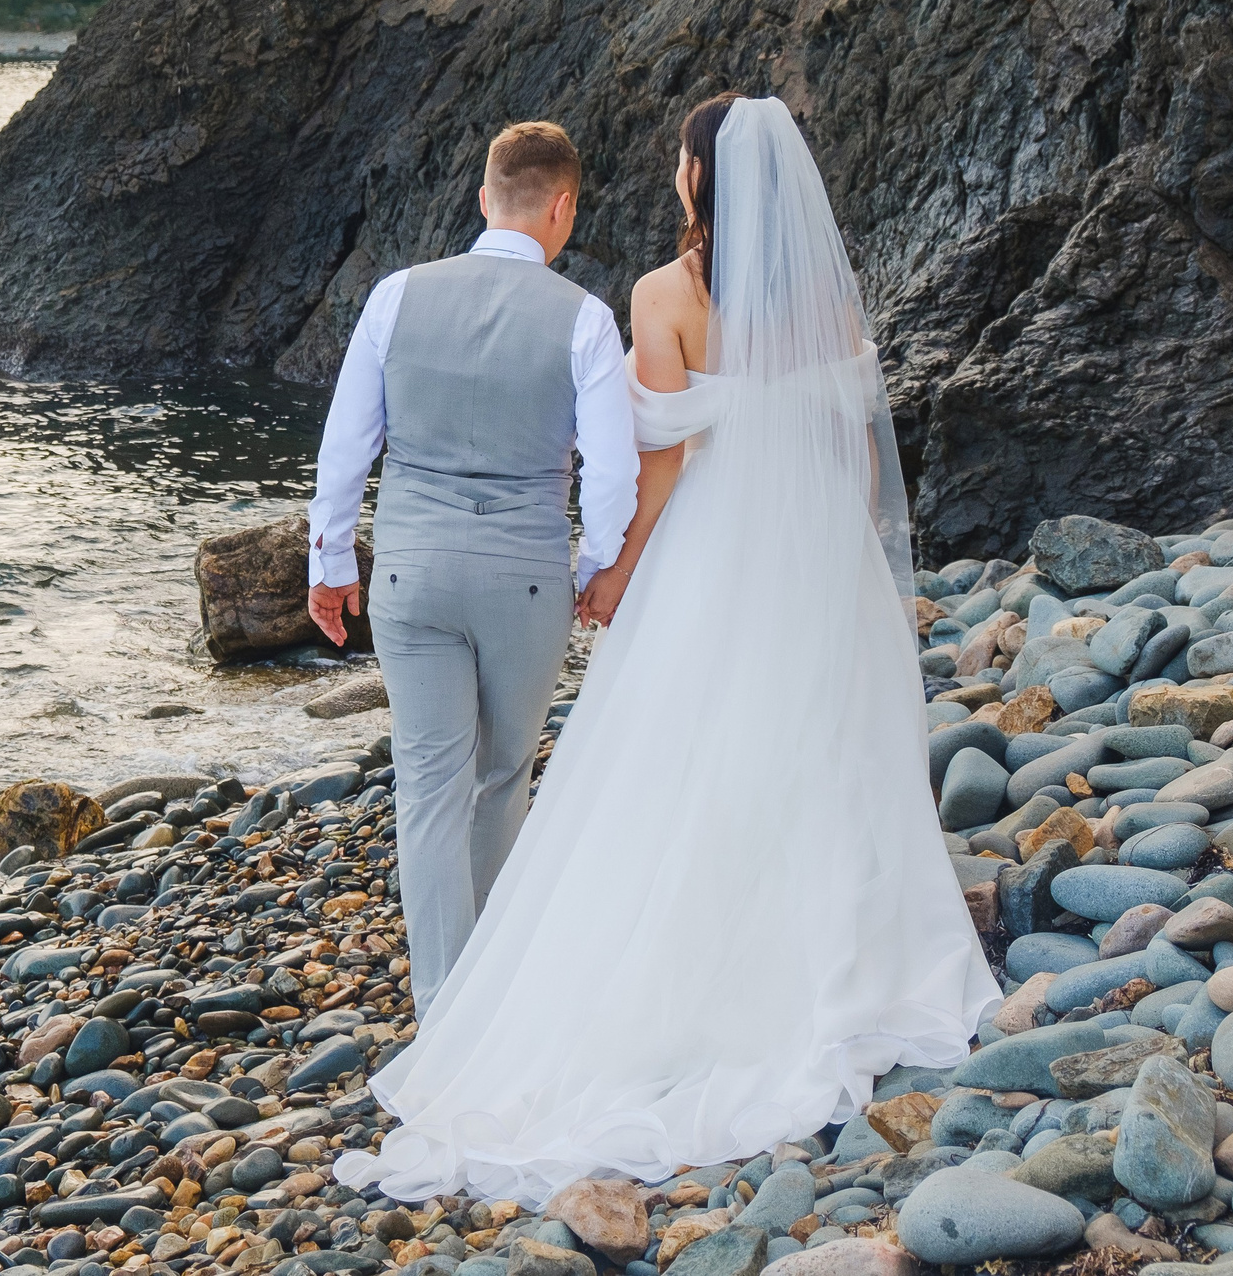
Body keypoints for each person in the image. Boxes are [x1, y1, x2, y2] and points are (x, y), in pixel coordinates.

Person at [334, 94, 1001, 1203]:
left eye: (680, 165)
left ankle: (673, 963)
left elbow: (652, 463)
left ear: (700, 179)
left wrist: (615, 568)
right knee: (815, 743)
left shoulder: (664, 295)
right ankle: (835, 943)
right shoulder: (827, 303)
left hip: (715, 542)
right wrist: (858, 563)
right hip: (819, 542)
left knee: (693, 750)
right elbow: (854, 449)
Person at [304, 120, 639, 1017]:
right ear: (563, 207)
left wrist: (329, 559)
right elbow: (612, 473)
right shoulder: (586, 320)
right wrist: (603, 564)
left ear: (484, 197)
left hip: (411, 571)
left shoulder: (396, 297)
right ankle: (491, 997)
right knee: (503, 773)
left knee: (427, 783)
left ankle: (441, 1004)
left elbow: (346, 446)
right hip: (526, 577)